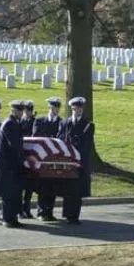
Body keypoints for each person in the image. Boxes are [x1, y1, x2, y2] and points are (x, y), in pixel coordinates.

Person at [0, 100, 25, 228]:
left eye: (22, 110)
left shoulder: (14, 122)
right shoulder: (10, 124)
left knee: (13, 192)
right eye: (19, 111)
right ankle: (8, 219)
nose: (21, 113)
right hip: (6, 164)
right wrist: (24, 157)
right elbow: (14, 144)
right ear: (13, 111)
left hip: (10, 163)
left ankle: (11, 218)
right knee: (8, 193)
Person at [57, 96, 94, 225]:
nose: (77, 111)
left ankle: (74, 216)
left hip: (79, 162)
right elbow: (60, 139)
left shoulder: (88, 125)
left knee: (76, 190)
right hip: (67, 161)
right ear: (72, 109)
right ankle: (67, 214)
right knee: (68, 189)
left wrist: (75, 154)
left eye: (79, 109)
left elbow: (86, 144)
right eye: (75, 109)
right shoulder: (65, 123)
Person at [32, 97, 63, 221]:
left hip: (55, 159)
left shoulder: (61, 123)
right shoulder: (39, 121)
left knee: (53, 186)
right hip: (42, 159)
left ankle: (49, 212)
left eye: (57, 108)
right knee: (43, 186)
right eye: (52, 107)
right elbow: (35, 137)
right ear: (49, 108)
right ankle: (41, 212)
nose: (54, 110)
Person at [19, 100, 37, 219]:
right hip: (21, 155)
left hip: (30, 156)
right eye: (26, 110)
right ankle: (20, 210)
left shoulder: (34, 122)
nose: (27, 112)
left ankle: (27, 209)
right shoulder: (20, 121)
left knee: (29, 187)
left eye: (29, 110)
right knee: (20, 186)